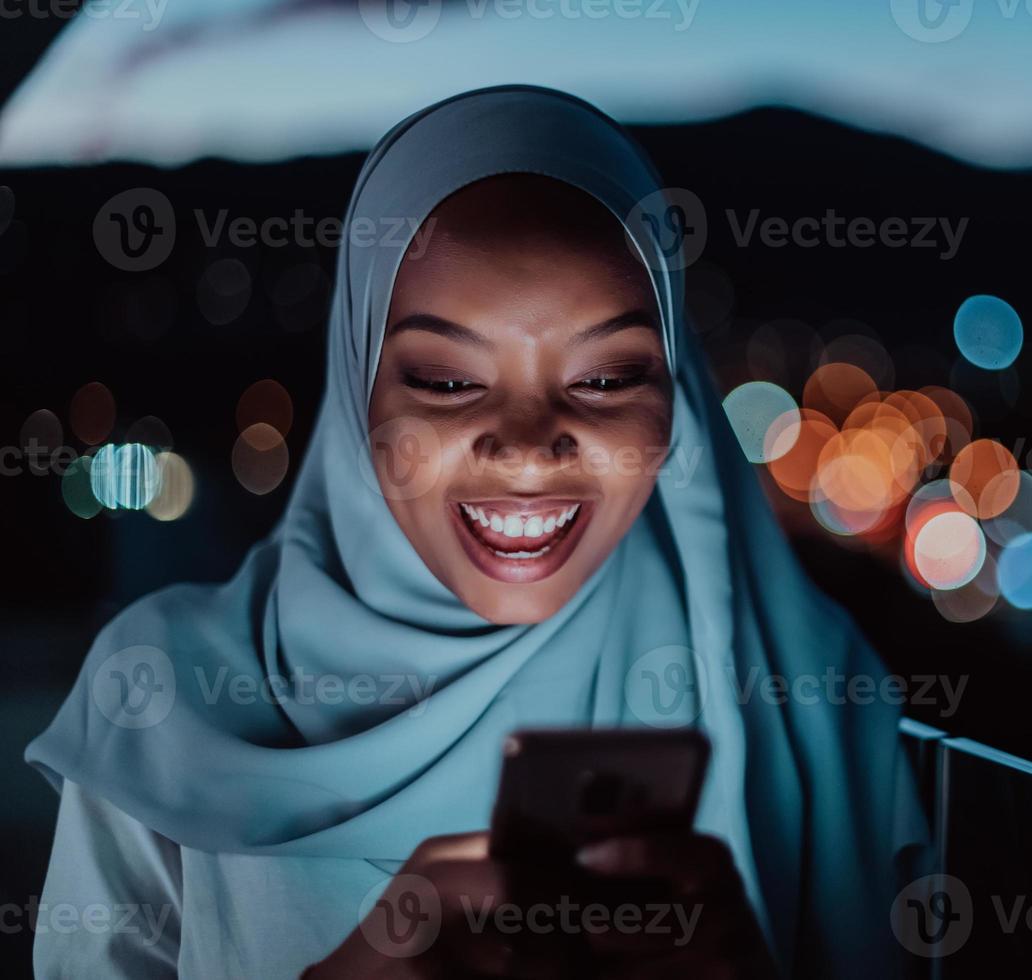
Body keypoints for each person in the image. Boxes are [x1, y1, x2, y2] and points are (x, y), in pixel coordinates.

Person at [26, 85, 930, 978]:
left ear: (679, 399)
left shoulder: (807, 689)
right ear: (356, 392)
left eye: (609, 378)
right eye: (447, 381)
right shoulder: (160, 701)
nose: (528, 449)